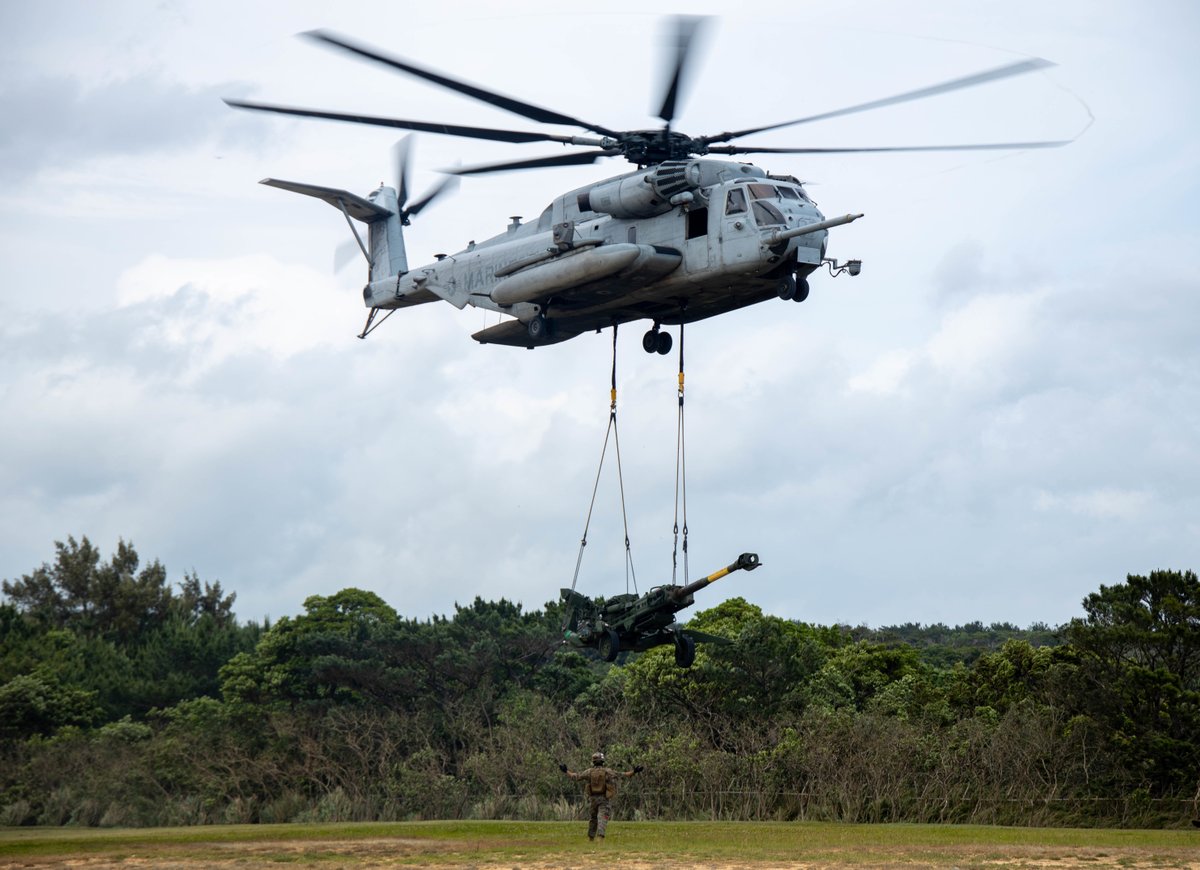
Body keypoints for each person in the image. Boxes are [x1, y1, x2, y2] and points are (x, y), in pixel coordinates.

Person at [559, 751, 643, 841]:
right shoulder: (607, 771)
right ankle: (600, 838)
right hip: (604, 798)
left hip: (593, 799)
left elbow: (576, 776)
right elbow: (622, 775)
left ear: (593, 761)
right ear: (602, 761)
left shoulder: (589, 772)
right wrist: (634, 771)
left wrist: (566, 771)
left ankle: (591, 838)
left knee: (593, 819)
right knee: (603, 817)